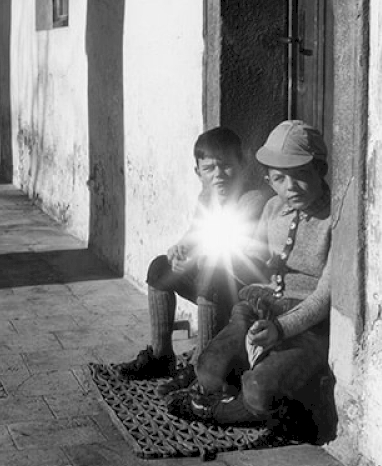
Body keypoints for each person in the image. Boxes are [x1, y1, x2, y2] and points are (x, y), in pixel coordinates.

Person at [166, 119, 335, 440]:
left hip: (305, 328)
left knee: (258, 391)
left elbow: (325, 296)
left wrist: (281, 329)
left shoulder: (334, 219)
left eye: (301, 176)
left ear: (320, 170)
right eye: (279, 178)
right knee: (208, 369)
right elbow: (253, 261)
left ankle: (221, 409)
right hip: (258, 310)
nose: (290, 188)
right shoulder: (273, 207)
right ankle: (253, 388)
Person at [116, 126, 272, 396]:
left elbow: (229, 247)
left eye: (226, 166)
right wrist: (180, 249)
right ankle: (161, 356)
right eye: (209, 168)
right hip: (214, 278)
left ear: (242, 164)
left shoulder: (254, 200)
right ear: (197, 172)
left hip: (244, 289)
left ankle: (203, 368)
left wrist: (195, 258)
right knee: (160, 268)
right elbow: (197, 233)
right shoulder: (207, 198)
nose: (218, 175)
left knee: (209, 274)